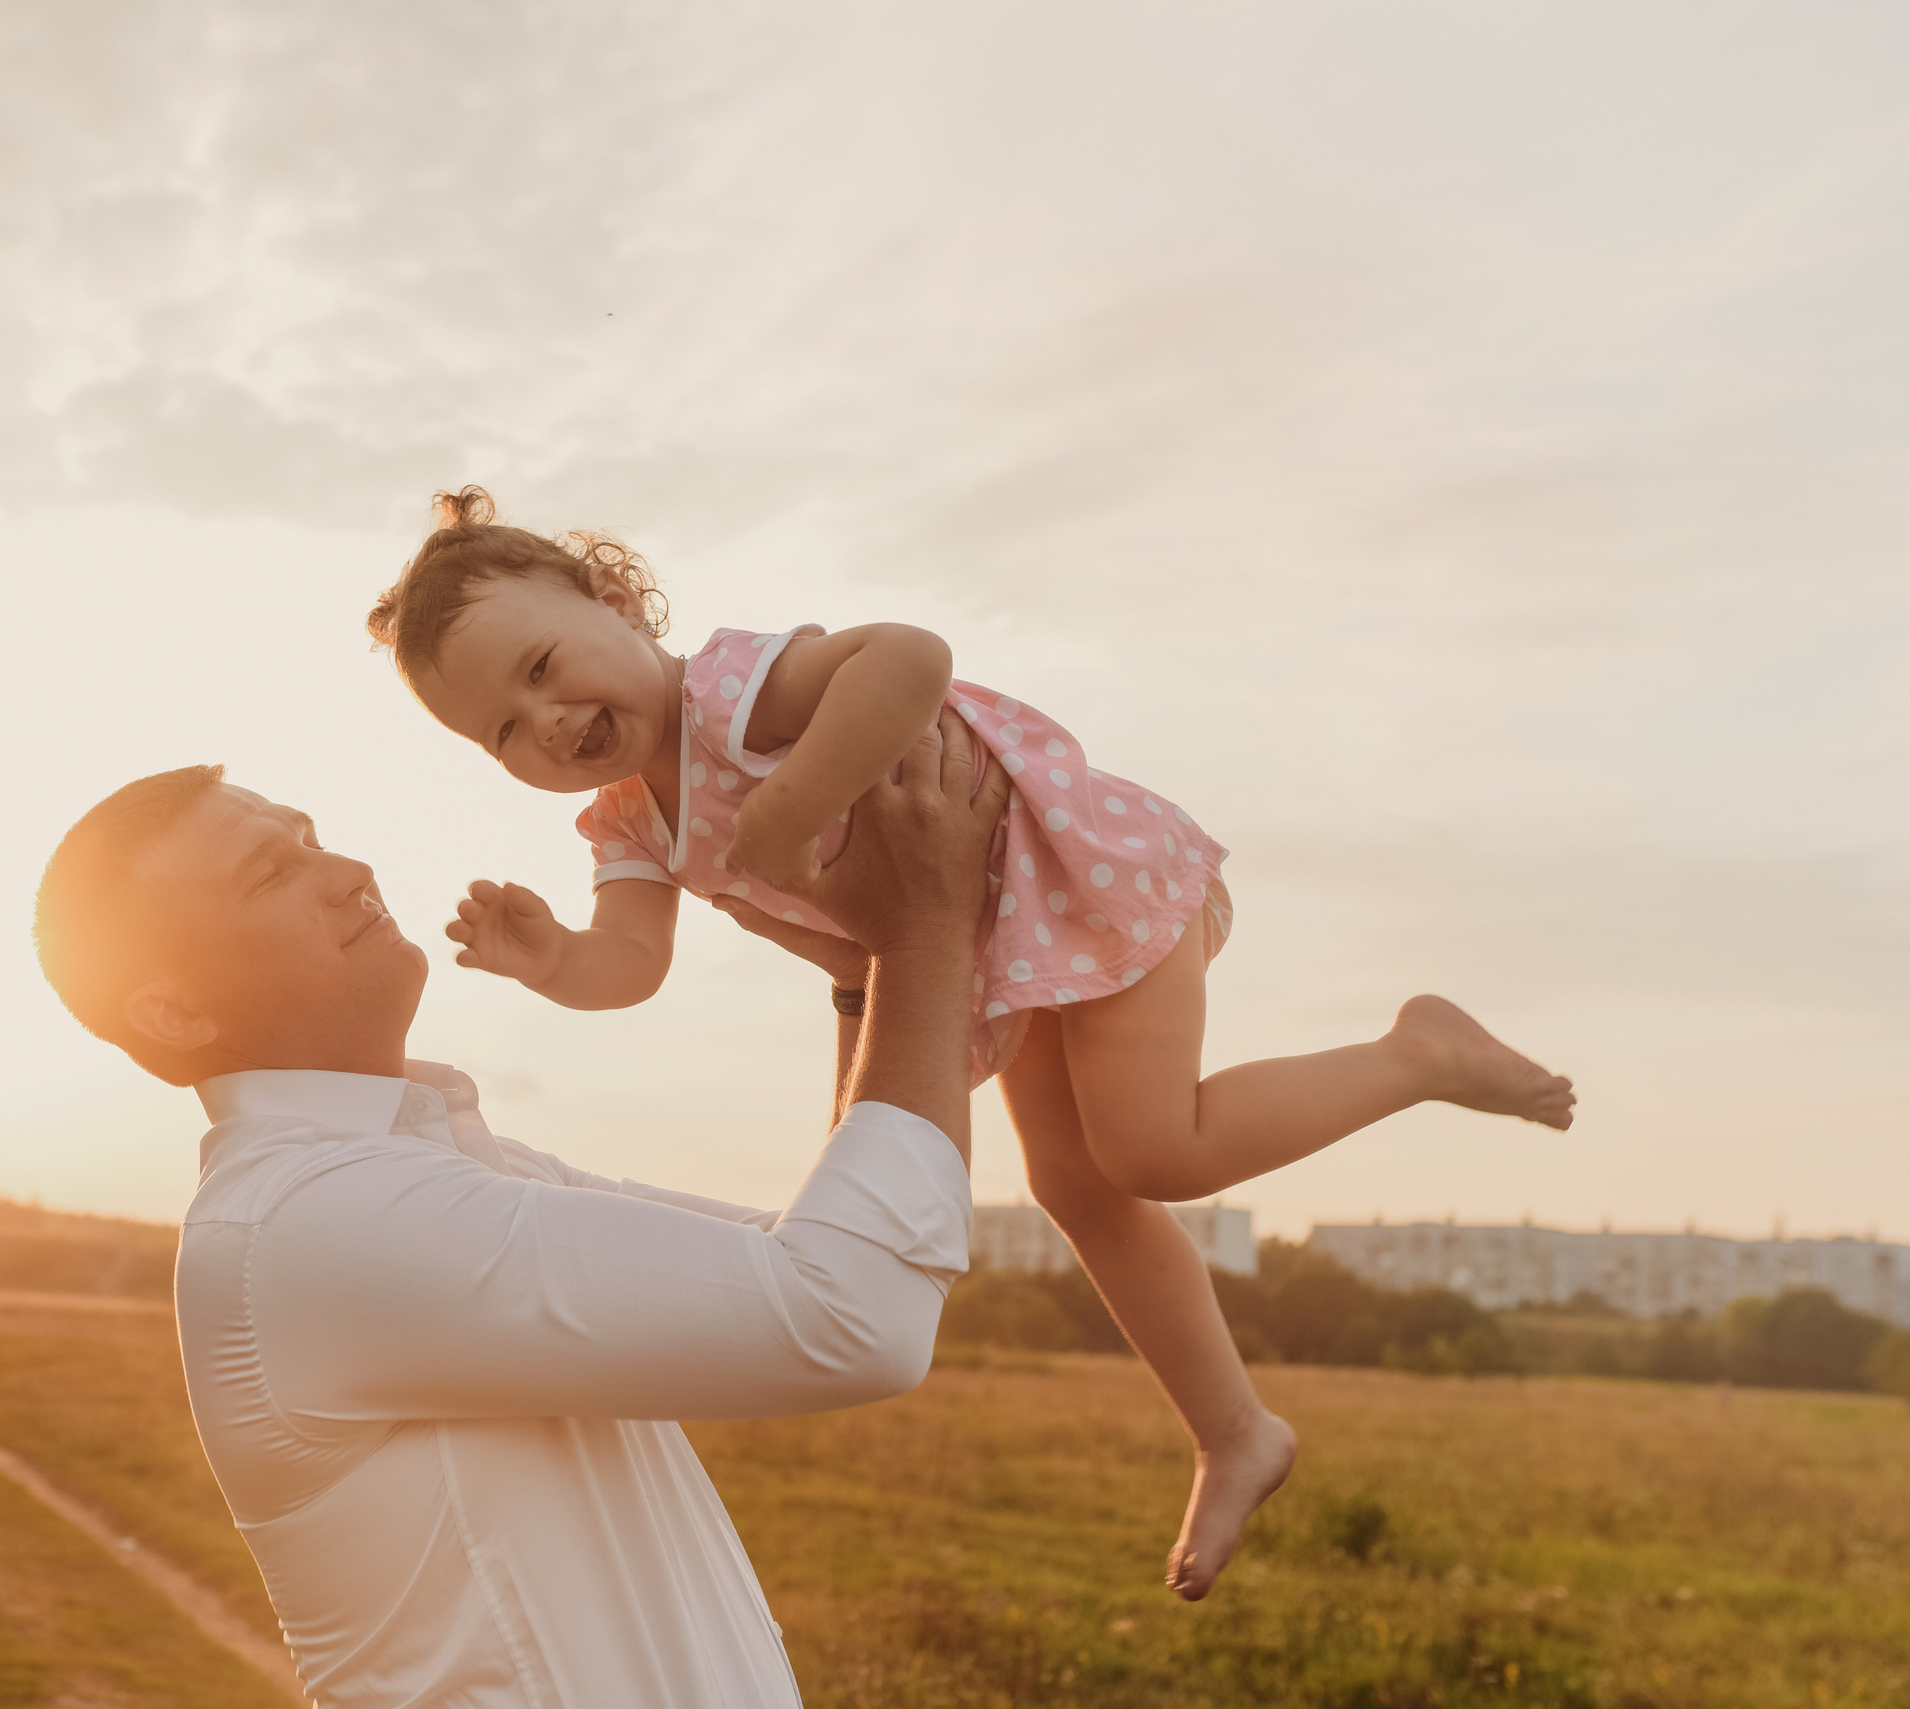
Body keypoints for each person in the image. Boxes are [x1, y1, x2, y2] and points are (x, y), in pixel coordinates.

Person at [366, 486, 1580, 1599]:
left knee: (1151, 1149)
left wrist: (792, 803)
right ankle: (1232, 1430)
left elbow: (907, 658)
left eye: (542, 666)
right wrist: (551, 959)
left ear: (618, 602)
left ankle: (1415, 1053)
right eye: (503, 729)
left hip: (1083, 873)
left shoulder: (735, 690)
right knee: (1077, 1188)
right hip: (1003, 946)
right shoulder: (630, 821)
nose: (547, 720)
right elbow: (631, 963)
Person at [31, 711, 1012, 1707]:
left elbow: (839, 1250)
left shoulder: (434, 1171)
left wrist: (864, 982)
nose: (348, 869)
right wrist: (920, 932)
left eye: (311, 836)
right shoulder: (303, 1220)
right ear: (175, 1011)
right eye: (270, 873)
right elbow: (852, 1312)